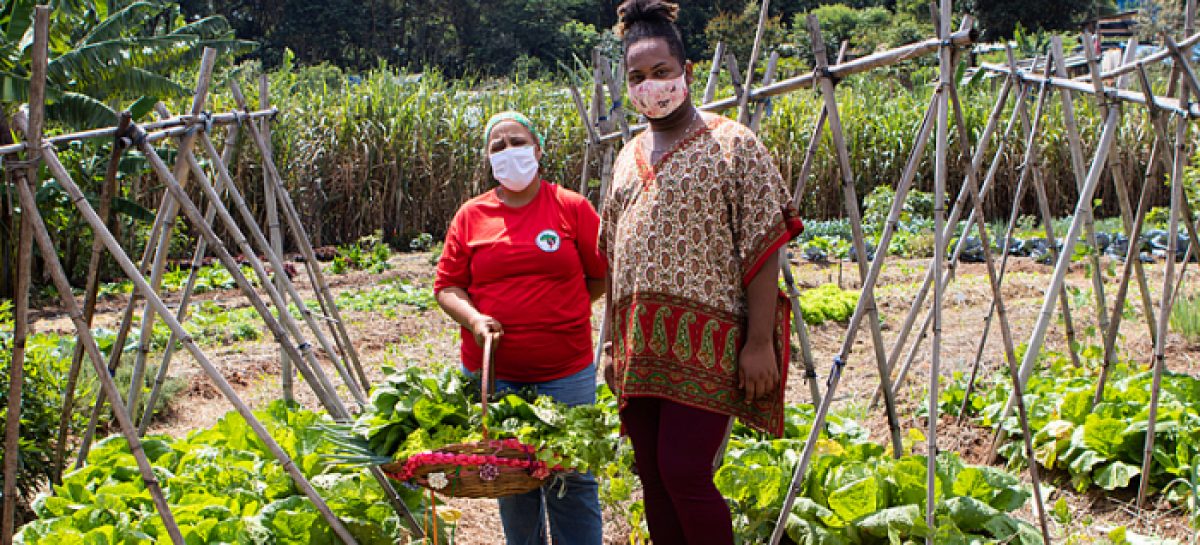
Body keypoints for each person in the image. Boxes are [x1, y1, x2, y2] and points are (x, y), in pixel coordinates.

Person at [600, 1, 804, 543]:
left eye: (662, 72)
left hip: (707, 343)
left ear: (686, 73)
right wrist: (610, 347)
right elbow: (615, 259)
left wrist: (759, 342)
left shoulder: (732, 144)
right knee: (653, 477)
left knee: (685, 472)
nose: (651, 85)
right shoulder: (626, 157)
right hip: (641, 347)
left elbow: (763, 245)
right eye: (637, 77)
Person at [434, 111, 606, 545]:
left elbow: (601, 272)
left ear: (538, 150)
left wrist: (563, 311)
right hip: (496, 374)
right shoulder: (471, 216)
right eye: (498, 146)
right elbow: (448, 286)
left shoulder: (570, 207)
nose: (509, 151)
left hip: (565, 372)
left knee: (573, 476)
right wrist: (474, 320)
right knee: (511, 480)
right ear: (489, 160)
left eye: (517, 141)